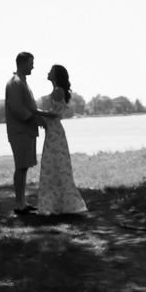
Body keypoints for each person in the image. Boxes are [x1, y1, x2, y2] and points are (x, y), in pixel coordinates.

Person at [5, 52, 57, 215]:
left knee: (24, 167)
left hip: (27, 131)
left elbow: (29, 107)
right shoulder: (15, 82)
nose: (33, 66)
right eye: (30, 63)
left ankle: (23, 202)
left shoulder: (22, 82)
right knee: (20, 166)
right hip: (20, 131)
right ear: (22, 63)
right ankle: (19, 204)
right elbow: (17, 108)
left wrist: (39, 117)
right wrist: (36, 119)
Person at [37, 64, 87, 216]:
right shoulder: (57, 90)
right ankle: (57, 205)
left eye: (51, 71)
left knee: (56, 167)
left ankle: (60, 205)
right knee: (54, 167)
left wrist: (35, 111)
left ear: (57, 74)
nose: (48, 72)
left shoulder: (58, 91)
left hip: (55, 133)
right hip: (53, 132)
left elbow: (55, 114)